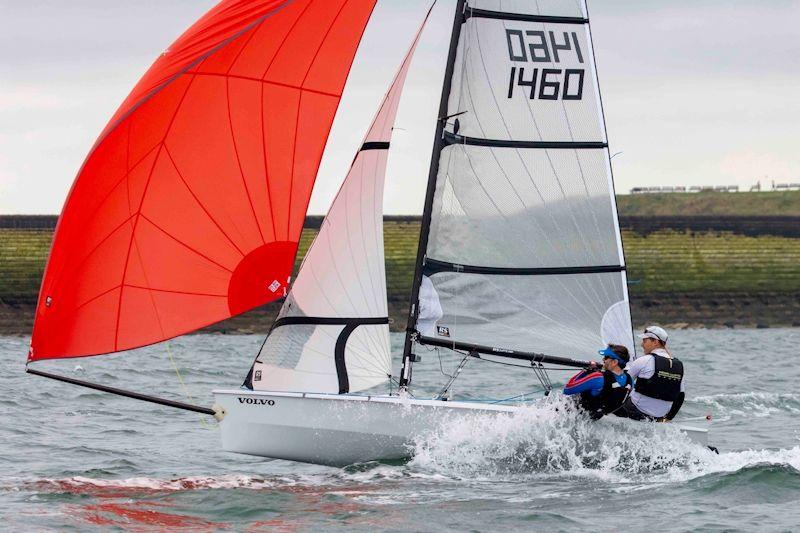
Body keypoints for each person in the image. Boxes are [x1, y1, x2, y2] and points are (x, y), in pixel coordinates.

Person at [617, 325, 685, 421]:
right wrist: (668, 418)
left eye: (645, 341)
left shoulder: (644, 360)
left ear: (656, 342)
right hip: (659, 417)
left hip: (636, 412)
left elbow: (622, 384)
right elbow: (681, 396)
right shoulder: (679, 365)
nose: (642, 344)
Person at [563, 344, 633, 420]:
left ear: (614, 362)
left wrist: (586, 370)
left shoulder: (598, 378)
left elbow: (567, 389)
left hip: (570, 414)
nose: (603, 360)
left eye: (606, 357)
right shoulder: (630, 382)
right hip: (592, 418)